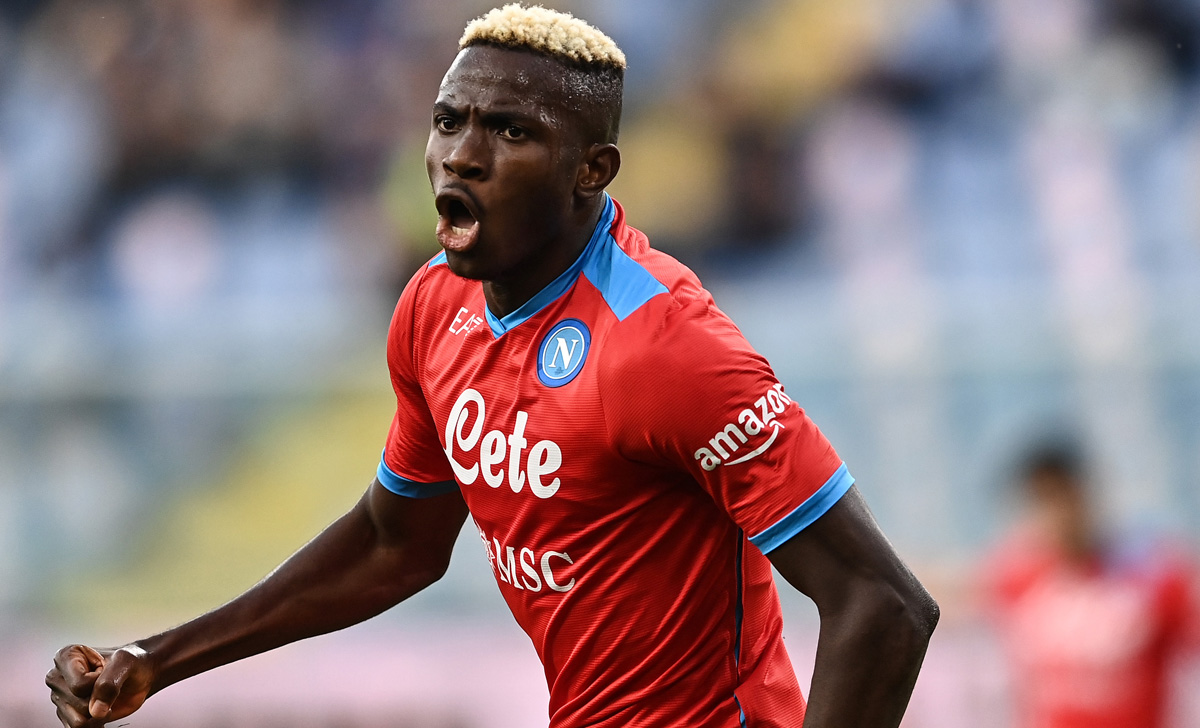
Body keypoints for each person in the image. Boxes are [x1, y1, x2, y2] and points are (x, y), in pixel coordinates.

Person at [46, 5, 939, 727]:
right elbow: (395, 544)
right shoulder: (434, 309)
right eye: (449, 121)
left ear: (592, 170)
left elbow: (885, 603)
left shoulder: (667, 345)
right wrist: (158, 659)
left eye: (510, 130)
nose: (463, 155)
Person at [984, 442, 1200, 728]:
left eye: (1062, 496)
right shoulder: (1016, 581)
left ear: (1085, 494)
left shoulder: (1153, 577)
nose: (1056, 514)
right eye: (1041, 501)